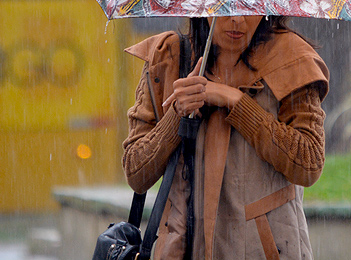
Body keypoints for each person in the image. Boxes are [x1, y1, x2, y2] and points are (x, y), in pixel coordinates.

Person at [122, 15, 329, 260]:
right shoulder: (169, 57)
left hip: (262, 250)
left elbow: (308, 164)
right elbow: (136, 172)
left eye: (249, 6)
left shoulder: (291, 58)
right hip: (180, 249)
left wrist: (237, 102)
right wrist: (177, 114)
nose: (237, 19)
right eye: (226, 6)